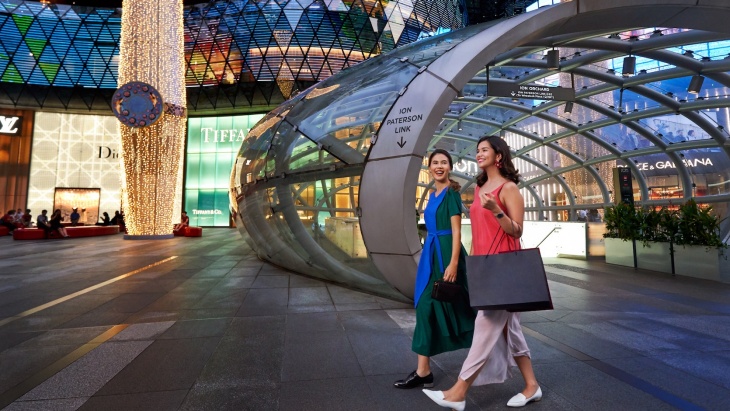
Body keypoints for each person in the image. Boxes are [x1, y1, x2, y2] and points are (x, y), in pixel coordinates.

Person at [424, 135, 541, 410]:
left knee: (485, 326)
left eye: (484, 150)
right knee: (510, 331)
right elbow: (477, 231)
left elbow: (517, 230)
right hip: (486, 267)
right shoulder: (479, 188)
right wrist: (474, 265)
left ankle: (458, 392)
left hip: (505, 269)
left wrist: (496, 210)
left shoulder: (508, 188)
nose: (478, 154)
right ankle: (532, 386)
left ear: (498, 155)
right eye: (477, 150)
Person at [393, 149, 476, 390]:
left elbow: (457, 232)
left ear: (450, 166)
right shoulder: (432, 194)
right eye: (435, 163)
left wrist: (452, 262)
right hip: (431, 252)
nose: (439, 166)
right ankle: (424, 371)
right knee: (424, 306)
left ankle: (496, 347)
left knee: (461, 307)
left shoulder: (451, 194)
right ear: (429, 167)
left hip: (447, 254)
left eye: (444, 162)